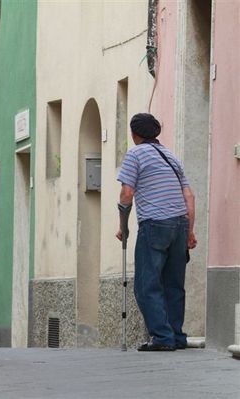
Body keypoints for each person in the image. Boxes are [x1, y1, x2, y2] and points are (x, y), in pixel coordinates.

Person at [116, 113, 197, 351]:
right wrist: (189, 232)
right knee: (174, 284)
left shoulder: (135, 154)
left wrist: (123, 224)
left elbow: (127, 192)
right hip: (180, 224)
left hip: (155, 224)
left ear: (134, 134)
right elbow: (189, 197)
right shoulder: (172, 157)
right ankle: (176, 336)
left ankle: (162, 337)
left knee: (146, 284)